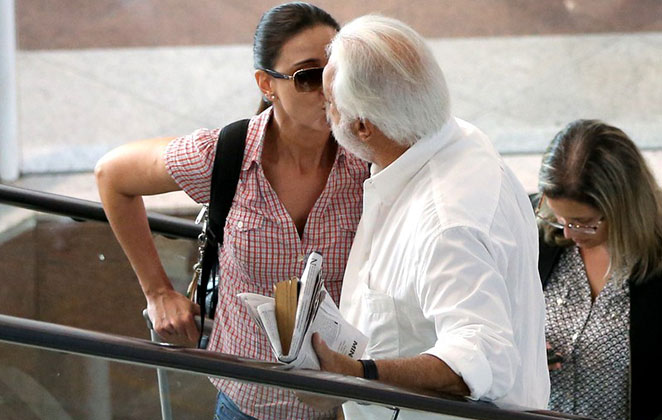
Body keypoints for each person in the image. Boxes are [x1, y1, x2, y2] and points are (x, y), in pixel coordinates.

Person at [95, 3, 369, 419]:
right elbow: (112, 175)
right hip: (247, 402)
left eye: (337, 71)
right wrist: (158, 292)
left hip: (349, 404)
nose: (329, 89)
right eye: (308, 76)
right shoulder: (226, 155)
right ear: (267, 84)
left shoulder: (368, 157)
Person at [312, 15, 550, 419]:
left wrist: (358, 374)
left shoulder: (446, 223)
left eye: (330, 103)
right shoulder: (454, 138)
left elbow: (484, 357)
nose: (324, 110)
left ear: (363, 126)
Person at [535, 119, 662, 420]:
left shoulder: (654, 258)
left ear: (624, 208)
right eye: (560, 218)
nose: (568, 233)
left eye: (584, 222)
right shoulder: (536, 232)